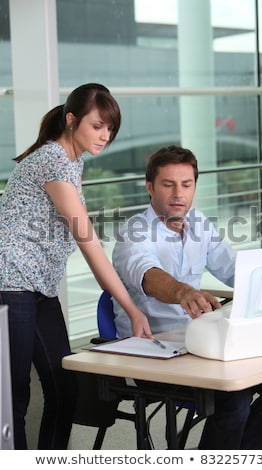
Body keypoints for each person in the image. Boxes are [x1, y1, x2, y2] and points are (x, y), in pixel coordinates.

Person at [111, 144, 262, 449]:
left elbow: (234, 269)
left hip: (200, 344)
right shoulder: (134, 232)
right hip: (155, 349)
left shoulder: (198, 223)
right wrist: (183, 290)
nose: (178, 194)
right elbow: (147, 274)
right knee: (233, 399)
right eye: (168, 184)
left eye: (186, 185)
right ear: (150, 186)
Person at [0, 83, 152, 450]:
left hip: (39, 287)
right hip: (10, 282)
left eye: (110, 128)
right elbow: (89, 245)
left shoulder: (73, 160)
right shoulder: (54, 160)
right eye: (98, 126)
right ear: (71, 120)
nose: (105, 135)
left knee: (64, 388)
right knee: (13, 397)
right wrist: (131, 308)